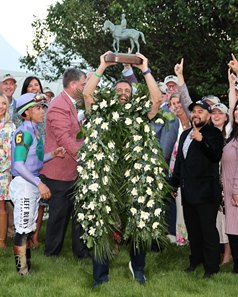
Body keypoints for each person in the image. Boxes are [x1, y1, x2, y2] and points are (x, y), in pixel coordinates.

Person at [81, 51, 163, 288]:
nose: (124, 94)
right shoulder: (103, 111)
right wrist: (102, 66)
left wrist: (145, 69)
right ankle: (100, 276)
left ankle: (138, 268)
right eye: (119, 90)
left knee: (140, 220)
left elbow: (157, 100)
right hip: (104, 177)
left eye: (127, 91)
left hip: (135, 179)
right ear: (112, 94)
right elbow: (87, 94)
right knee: (100, 224)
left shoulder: (139, 115)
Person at [10, 93, 65, 275]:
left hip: (31, 182)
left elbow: (36, 160)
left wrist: (53, 155)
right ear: (25, 113)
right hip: (25, 183)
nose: (42, 111)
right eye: (38, 108)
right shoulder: (24, 133)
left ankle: (26, 268)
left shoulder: (34, 131)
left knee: (28, 226)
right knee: (23, 228)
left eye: (42, 107)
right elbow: (19, 165)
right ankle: (22, 271)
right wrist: (38, 183)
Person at [170, 100, 224, 278]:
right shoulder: (185, 134)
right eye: (194, 112)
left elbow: (215, 155)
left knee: (208, 231)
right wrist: (174, 184)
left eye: (200, 111)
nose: (196, 115)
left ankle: (211, 267)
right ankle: (195, 261)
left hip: (207, 193)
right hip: (188, 192)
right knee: (193, 230)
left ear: (208, 115)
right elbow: (180, 163)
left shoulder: (214, 133)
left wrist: (202, 141)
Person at [40, 67, 89, 258]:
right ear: (73, 84)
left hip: (72, 171)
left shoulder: (72, 103)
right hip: (59, 173)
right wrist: (88, 155)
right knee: (59, 216)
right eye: (83, 84)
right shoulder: (59, 105)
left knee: (78, 215)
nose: (85, 88)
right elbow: (65, 140)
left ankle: (80, 251)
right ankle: (51, 254)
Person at [221, 73, 238, 273]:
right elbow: (233, 104)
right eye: (235, 112)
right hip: (229, 190)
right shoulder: (233, 132)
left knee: (235, 229)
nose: (235, 113)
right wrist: (232, 84)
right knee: (233, 229)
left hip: (235, 190)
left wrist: (235, 190)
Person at [169, 92, 190, 246]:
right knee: (180, 205)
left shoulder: (193, 121)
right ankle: (182, 238)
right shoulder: (171, 125)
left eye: (178, 102)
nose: (176, 106)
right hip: (176, 171)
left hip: (193, 171)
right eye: (172, 104)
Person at [1, 74, 18, 239]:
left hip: (7, 167)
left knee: (5, 203)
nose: (8, 86)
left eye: (11, 84)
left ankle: (7, 235)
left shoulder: (18, 109)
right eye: (5, 83)